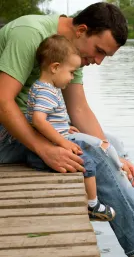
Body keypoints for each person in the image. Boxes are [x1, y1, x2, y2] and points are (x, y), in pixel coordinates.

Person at [0, 2, 134, 257]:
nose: (99, 61)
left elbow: (78, 109)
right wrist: (45, 149)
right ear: (81, 30)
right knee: (93, 150)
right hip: (6, 135)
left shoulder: (69, 51)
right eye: (99, 51)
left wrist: (115, 154)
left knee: (111, 144)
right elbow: (3, 101)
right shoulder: (29, 33)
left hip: (27, 130)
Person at [25, 34, 119, 221]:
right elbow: (39, 120)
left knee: (91, 149)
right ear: (55, 68)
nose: (72, 77)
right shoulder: (47, 91)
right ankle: (93, 205)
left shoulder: (42, 87)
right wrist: (63, 141)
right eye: (71, 72)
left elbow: (49, 119)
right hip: (45, 151)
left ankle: (91, 201)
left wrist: (66, 128)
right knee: (88, 163)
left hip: (47, 145)